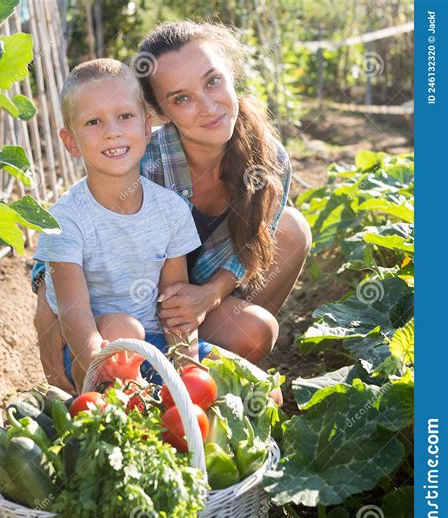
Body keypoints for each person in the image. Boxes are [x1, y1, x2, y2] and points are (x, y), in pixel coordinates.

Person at [32, 21, 312, 394]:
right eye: (182, 98)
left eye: (212, 81)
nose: (208, 106)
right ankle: (140, 389)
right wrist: (46, 319)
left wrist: (209, 296)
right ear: (159, 115)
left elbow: (248, 251)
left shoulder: (267, 160)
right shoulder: (137, 159)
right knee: (123, 331)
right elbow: (69, 237)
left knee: (291, 236)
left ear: (231, 75)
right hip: (124, 314)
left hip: (184, 305)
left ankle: (194, 387)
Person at [34, 58, 212, 391]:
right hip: (94, 355)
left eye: (125, 116)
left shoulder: (172, 210)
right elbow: (75, 318)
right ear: (70, 141)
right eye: (93, 122)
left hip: (157, 346)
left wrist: (188, 376)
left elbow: (174, 307)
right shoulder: (65, 219)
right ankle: (124, 405)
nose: (113, 130)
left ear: (147, 127)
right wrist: (95, 374)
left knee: (259, 387)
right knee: (122, 328)